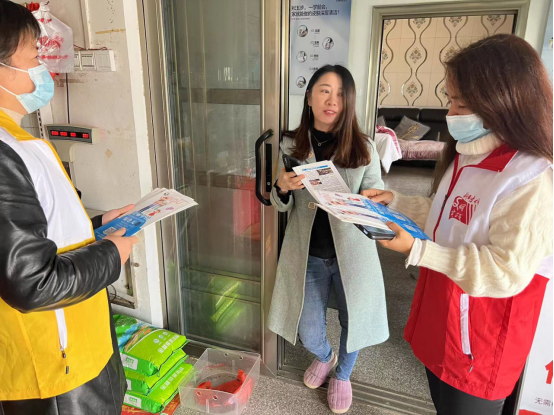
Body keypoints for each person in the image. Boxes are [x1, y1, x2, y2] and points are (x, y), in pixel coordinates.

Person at [365, 34, 553, 415]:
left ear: (505, 100)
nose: (451, 113)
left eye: (461, 103)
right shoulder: (468, 155)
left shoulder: (530, 179)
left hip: (480, 346)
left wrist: (418, 250)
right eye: (450, 99)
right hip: (444, 322)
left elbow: (505, 271)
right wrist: (396, 201)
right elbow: (448, 213)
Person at [0, 2, 139, 414]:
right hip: (54, 367)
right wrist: (112, 254)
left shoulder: (16, 140)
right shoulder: (4, 153)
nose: (42, 68)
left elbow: (34, 233)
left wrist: (96, 226)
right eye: (33, 56)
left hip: (73, 346)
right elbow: (32, 283)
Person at [268, 65, 389, 414]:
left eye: (340, 94)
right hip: (307, 252)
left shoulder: (364, 147)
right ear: (309, 98)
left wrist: (371, 202)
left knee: (355, 322)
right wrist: (281, 187)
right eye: (324, 90)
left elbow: (377, 197)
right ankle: (325, 357)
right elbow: (280, 204)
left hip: (353, 253)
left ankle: (343, 375)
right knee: (308, 330)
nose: (331, 100)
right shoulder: (291, 144)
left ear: (348, 102)